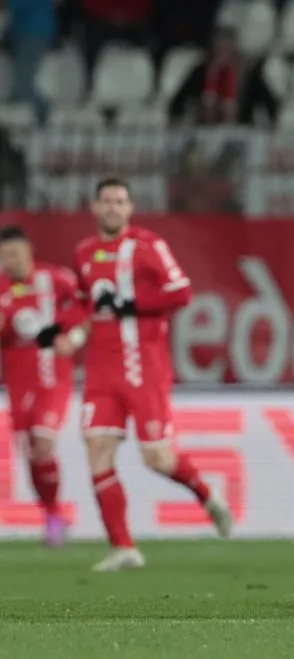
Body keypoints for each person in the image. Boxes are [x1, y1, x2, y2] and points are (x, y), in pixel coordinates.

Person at [56, 177, 233, 572]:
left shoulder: (147, 246)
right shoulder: (84, 252)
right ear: (95, 208)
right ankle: (123, 547)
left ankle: (206, 494)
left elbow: (180, 291)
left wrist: (128, 301)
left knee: (157, 457)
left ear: (130, 208)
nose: (113, 208)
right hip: (101, 371)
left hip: (143, 368)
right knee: (97, 451)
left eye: (120, 201)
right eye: (106, 201)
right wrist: (75, 333)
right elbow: (83, 303)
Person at [0, 226, 81, 547]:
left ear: (29, 251)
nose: (10, 260)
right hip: (19, 382)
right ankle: (52, 514)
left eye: (15, 253)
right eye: (4, 255)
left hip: (53, 377)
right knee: (31, 453)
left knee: (43, 442)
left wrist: (72, 338)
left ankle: (53, 518)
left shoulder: (56, 278)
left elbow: (83, 308)